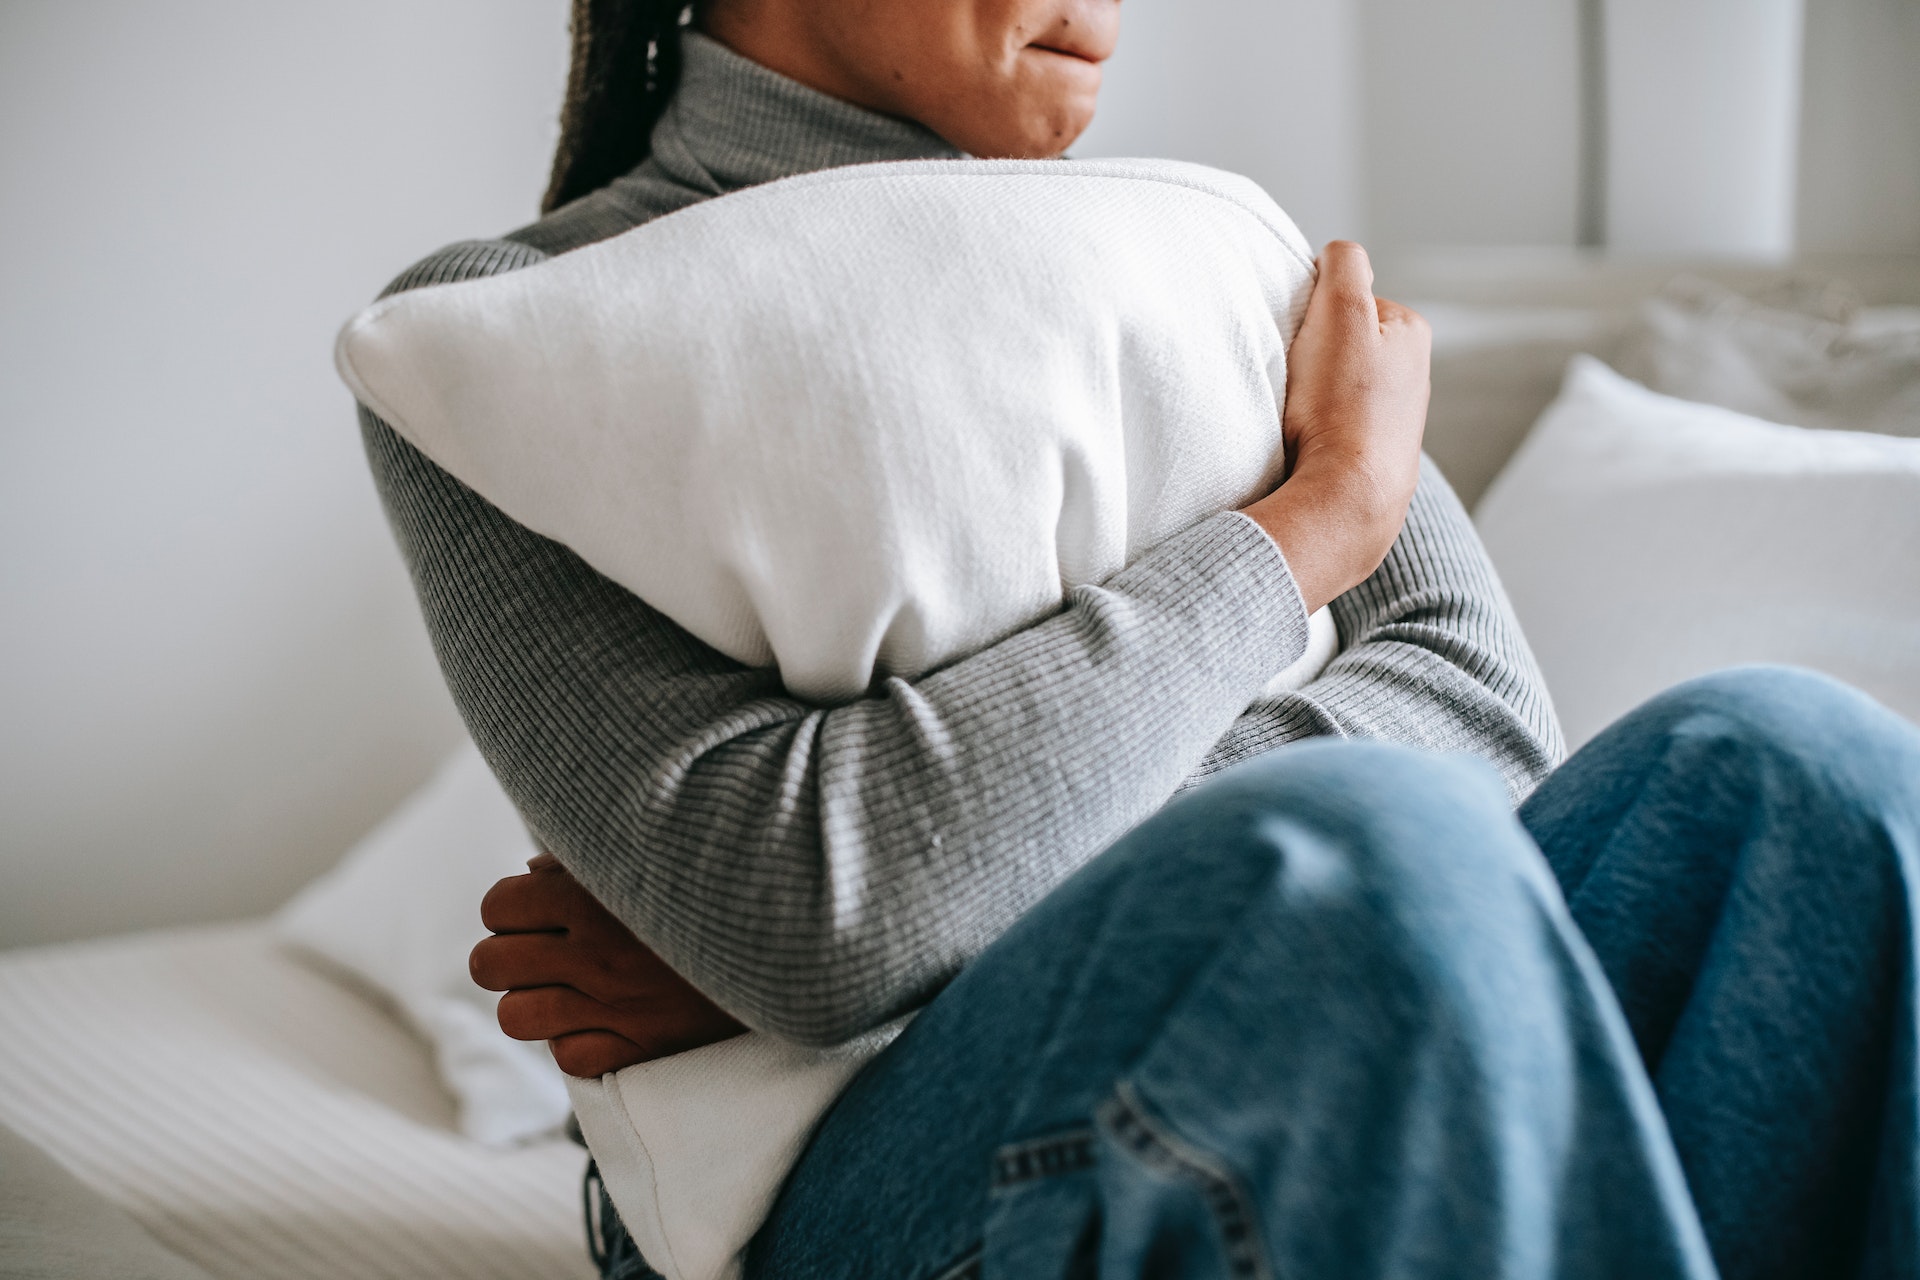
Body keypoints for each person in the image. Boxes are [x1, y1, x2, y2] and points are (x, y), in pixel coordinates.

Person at [357, 1, 1920, 1276]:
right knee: (1356, 844)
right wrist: (1311, 528)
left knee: (1800, 760)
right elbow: (818, 912)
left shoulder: (1207, 252)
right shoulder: (503, 325)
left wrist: (944, 922)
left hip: (1108, 1023)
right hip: (834, 1198)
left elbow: (1489, 725)